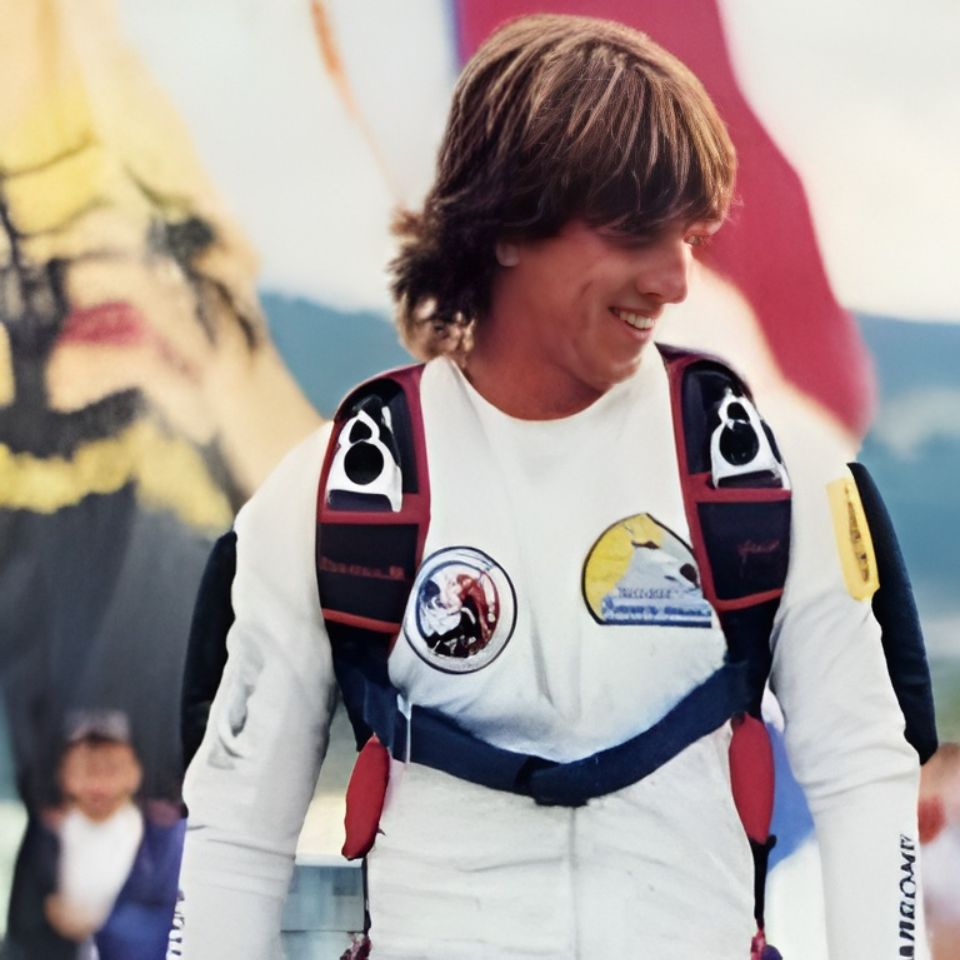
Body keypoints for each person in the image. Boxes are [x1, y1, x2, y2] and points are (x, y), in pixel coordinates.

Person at [178, 14, 930, 959]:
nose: (675, 280)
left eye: (688, 236)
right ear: (503, 229)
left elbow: (866, 778)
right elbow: (238, 838)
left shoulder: (774, 476)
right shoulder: (335, 494)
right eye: (635, 233)